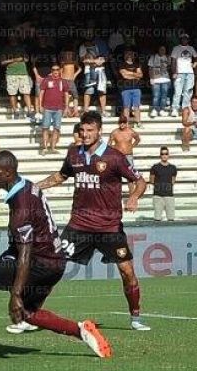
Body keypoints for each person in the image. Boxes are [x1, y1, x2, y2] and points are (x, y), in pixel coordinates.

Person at [0, 150, 112, 363]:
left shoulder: (21, 204)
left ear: (8, 173)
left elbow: (25, 252)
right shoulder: (28, 186)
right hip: (55, 262)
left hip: (38, 262)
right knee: (27, 312)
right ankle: (81, 330)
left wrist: (16, 293)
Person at [37, 112, 150, 331]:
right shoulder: (73, 155)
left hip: (109, 226)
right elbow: (59, 177)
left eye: (90, 130)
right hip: (79, 224)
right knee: (53, 266)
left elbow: (140, 180)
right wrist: (34, 187)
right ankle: (30, 314)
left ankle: (135, 317)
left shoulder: (114, 157)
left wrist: (134, 197)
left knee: (127, 271)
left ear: (99, 131)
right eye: (82, 130)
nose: (85, 134)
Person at [38, 64, 69, 155]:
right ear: (51, 71)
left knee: (57, 128)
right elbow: (41, 93)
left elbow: (66, 94)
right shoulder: (46, 80)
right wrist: (40, 105)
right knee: (45, 128)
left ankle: (53, 147)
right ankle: (45, 148)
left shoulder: (63, 81)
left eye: (57, 69)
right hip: (47, 108)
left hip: (59, 108)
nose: (55, 71)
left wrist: (66, 107)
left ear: (60, 70)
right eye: (53, 69)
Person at [109, 116, 141, 194]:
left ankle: (132, 195)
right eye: (120, 122)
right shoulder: (114, 132)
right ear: (118, 123)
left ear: (126, 123)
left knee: (130, 176)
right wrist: (115, 148)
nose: (122, 124)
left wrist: (132, 146)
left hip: (128, 156)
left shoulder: (131, 131)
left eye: (123, 122)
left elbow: (138, 139)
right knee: (116, 175)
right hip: (118, 156)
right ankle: (116, 194)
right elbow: (109, 144)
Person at [170, 33, 197, 116]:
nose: (184, 40)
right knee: (178, 91)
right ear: (180, 39)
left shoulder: (191, 48)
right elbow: (173, 61)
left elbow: (196, 57)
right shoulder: (176, 48)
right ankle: (175, 109)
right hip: (179, 73)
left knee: (188, 91)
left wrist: (194, 64)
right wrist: (174, 72)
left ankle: (185, 109)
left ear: (188, 40)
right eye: (183, 38)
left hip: (190, 73)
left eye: (186, 39)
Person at [150, 146, 177, 222]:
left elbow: (173, 181)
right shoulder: (155, 167)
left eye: (166, 154)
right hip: (158, 195)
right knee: (157, 218)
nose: (164, 155)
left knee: (171, 219)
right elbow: (152, 180)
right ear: (160, 155)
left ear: (168, 155)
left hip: (169, 195)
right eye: (162, 154)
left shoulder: (173, 168)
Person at [117, 50, 143, 127]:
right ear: (125, 55)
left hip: (136, 88)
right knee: (126, 107)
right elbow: (124, 76)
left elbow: (140, 75)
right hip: (126, 89)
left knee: (137, 106)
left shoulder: (136, 64)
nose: (129, 55)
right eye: (127, 54)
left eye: (131, 54)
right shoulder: (122, 64)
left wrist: (129, 73)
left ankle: (138, 122)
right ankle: (126, 124)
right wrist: (135, 75)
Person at [147, 45, 172, 118]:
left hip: (166, 79)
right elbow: (150, 68)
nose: (162, 50)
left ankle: (162, 110)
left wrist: (170, 79)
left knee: (164, 96)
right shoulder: (153, 57)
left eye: (164, 49)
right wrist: (151, 78)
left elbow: (170, 68)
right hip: (156, 79)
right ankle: (155, 109)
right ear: (158, 50)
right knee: (156, 95)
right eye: (161, 49)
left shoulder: (168, 57)